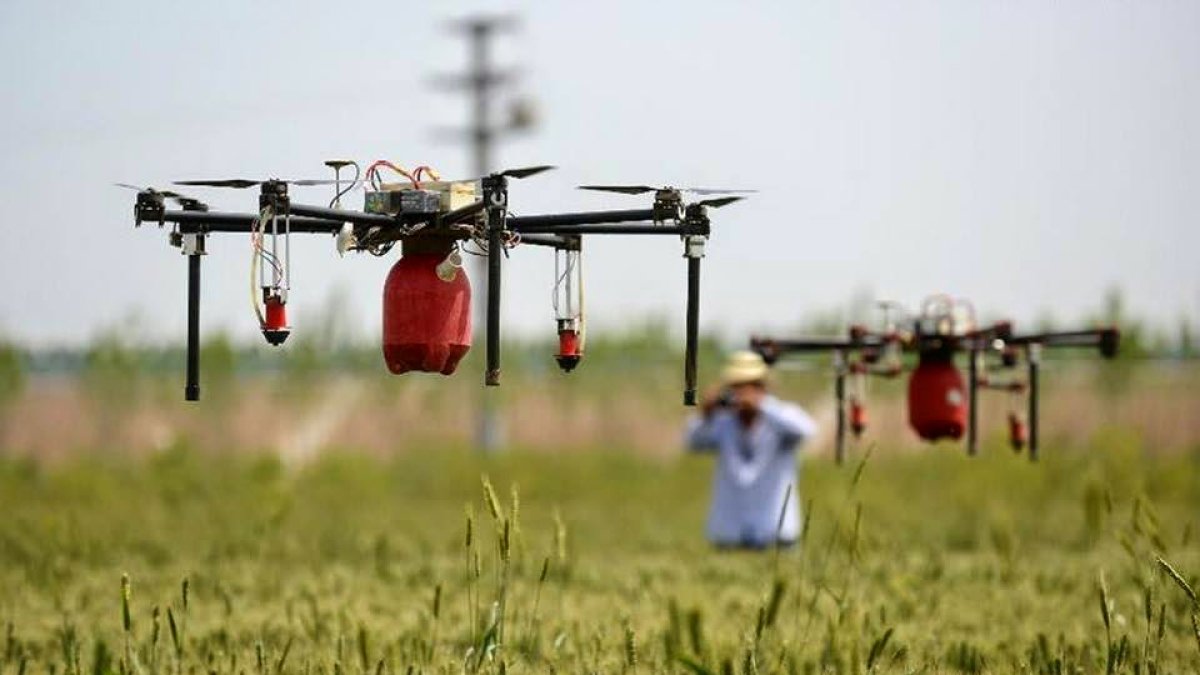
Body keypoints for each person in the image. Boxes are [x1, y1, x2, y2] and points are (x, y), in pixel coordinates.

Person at [685, 350, 817, 549]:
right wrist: (706, 414)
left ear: (763, 387)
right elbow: (691, 440)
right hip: (730, 535)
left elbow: (806, 430)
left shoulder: (780, 417)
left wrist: (760, 405)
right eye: (737, 387)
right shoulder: (722, 423)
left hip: (776, 533)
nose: (742, 394)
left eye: (751, 386)